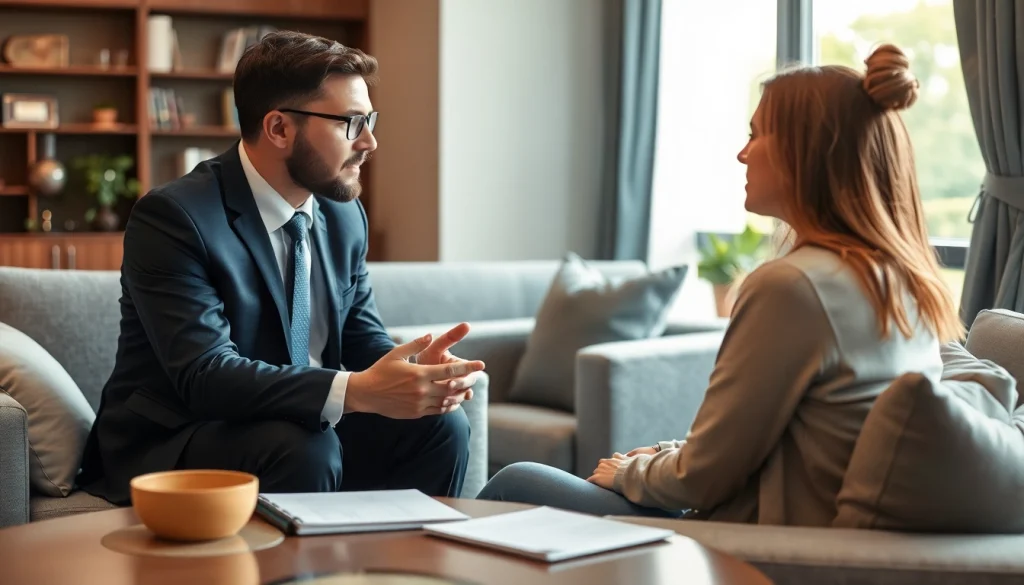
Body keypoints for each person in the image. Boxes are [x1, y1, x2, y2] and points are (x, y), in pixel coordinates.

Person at [476, 43, 963, 526]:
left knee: (517, 485)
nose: (742, 153)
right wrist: (665, 454)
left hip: (757, 546)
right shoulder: (901, 278)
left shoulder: (794, 286)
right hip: (806, 524)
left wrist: (632, 472)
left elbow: (702, 480)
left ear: (807, 151)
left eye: (756, 134)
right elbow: (774, 441)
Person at [77, 31, 485, 506]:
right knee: (304, 448)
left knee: (438, 426)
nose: (371, 141)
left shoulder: (343, 214)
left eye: (370, 120)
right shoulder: (175, 217)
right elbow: (206, 375)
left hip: (301, 428)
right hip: (184, 435)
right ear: (278, 129)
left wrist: (411, 373)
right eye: (352, 123)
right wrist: (354, 391)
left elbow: (359, 338)